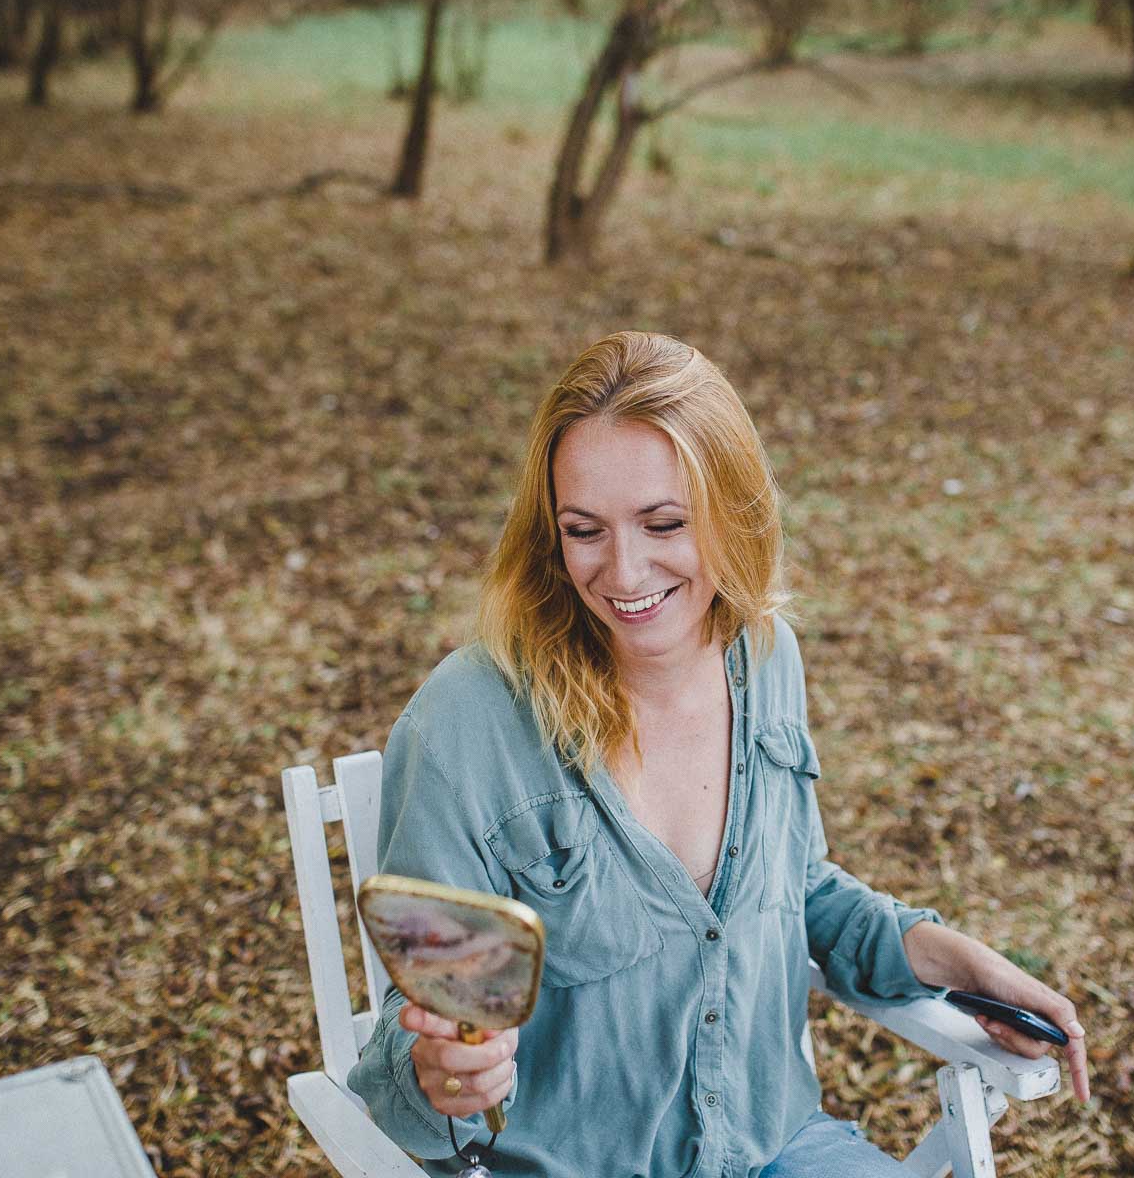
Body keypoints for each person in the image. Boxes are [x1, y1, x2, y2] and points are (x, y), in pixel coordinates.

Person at [348, 332, 1090, 1177]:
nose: (625, 573)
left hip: (773, 1143)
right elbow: (424, 1035)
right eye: (584, 530)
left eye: (664, 523)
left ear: (733, 510)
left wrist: (957, 960)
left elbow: (795, 887)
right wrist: (442, 1074)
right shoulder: (466, 724)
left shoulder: (765, 658)